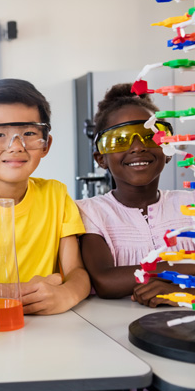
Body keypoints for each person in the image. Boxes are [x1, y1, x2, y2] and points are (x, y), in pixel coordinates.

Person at [0, 78, 90, 315]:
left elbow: (77, 272)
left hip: (48, 326)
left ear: (46, 144)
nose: (15, 146)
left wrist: (67, 293)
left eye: (29, 133)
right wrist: (17, 291)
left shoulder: (56, 194)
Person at [76, 83, 195, 306]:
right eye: (120, 139)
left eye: (150, 136)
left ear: (167, 149)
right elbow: (105, 280)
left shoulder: (190, 204)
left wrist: (180, 292)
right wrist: (184, 270)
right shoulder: (89, 212)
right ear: (101, 158)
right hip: (111, 333)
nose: (138, 147)